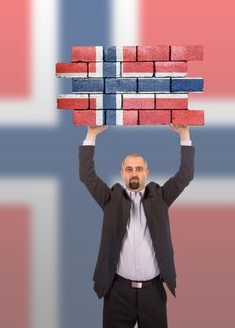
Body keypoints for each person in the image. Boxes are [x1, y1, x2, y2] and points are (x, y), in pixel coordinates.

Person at [79, 124, 195, 328]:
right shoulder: (110, 199)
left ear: (146, 173)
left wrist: (184, 134)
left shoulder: (161, 197)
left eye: (139, 169)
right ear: (122, 173)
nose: (134, 173)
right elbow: (87, 176)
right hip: (117, 292)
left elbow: (184, 176)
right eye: (129, 169)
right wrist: (91, 134)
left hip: (154, 292)